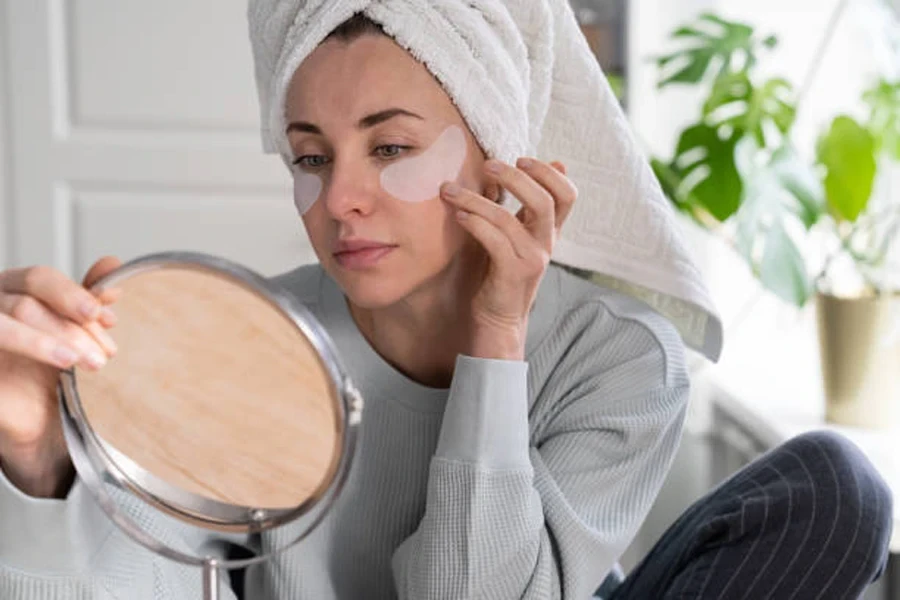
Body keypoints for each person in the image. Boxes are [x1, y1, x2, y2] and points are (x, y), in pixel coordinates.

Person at [0, 4, 892, 600]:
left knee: (836, 486)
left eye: (391, 147)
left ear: (497, 155)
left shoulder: (616, 354)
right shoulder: (248, 340)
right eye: (311, 158)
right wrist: (46, 456)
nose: (342, 197)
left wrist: (495, 340)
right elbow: (140, 577)